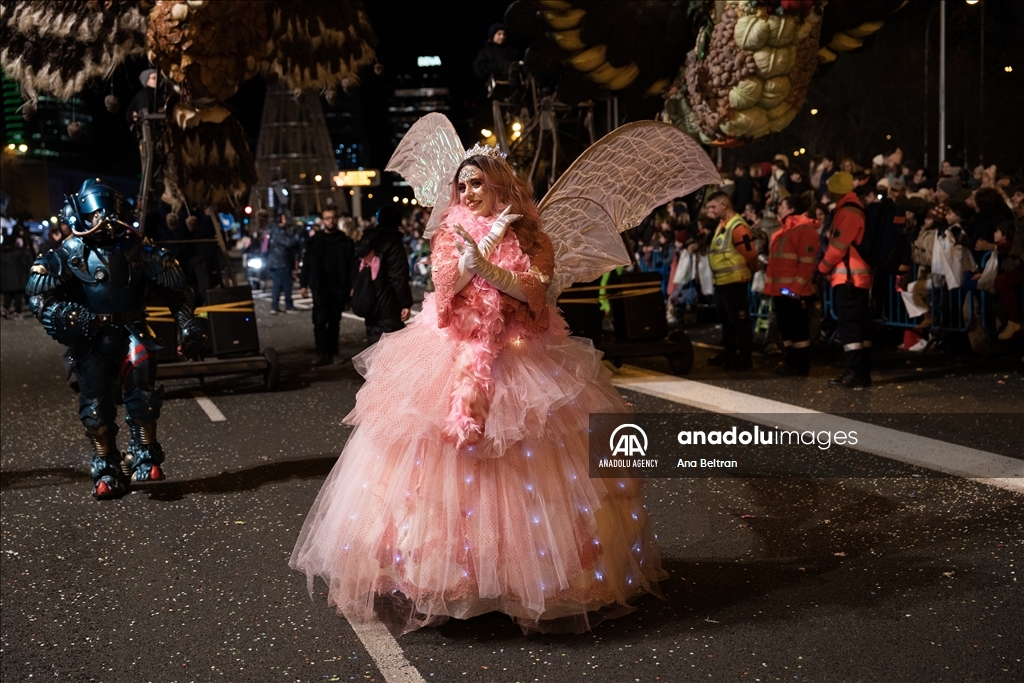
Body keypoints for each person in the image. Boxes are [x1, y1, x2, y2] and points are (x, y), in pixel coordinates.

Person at [290, 144, 665, 635]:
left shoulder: (535, 236)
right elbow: (446, 291)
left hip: (521, 354)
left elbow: (536, 291)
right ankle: (453, 578)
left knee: (532, 461)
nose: (467, 192)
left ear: (500, 185)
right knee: (437, 463)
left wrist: (493, 263)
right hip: (452, 354)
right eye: (461, 185)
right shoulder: (449, 232)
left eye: (476, 183)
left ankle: (528, 578)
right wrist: (480, 249)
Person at [25, 179, 208, 498]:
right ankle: (106, 467)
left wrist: (187, 323)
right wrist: (69, 316)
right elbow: (39, 294)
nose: (105, 221)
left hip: (133, 330)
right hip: (91, 335)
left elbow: (176, 290)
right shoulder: (71, 251)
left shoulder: (138, 248)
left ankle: (146, 457)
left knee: (144, 401)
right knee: (96, 410)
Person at [818, 171, 873, 388]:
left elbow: (837, 248)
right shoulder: (853, 208)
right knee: (859, 328)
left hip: (849, 279)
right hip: (857, 278)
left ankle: (855, 373)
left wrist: (822, 268)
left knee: (850, 327)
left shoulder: (848, 212)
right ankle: (861, 372)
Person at [764, 195, 819, 375]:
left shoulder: (805, 230)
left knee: (798, 330)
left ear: (791, 208)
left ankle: (801, 365)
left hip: (794, 292)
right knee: (786, 329)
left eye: (782, 205)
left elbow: (806, 264)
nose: (779, 209)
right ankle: (791, 361)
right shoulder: (782, 232)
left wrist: (795, 289)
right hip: (780, 291)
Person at [705, 191, 759, 369]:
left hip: (735, 281)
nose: (710, 211)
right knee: (727, 320)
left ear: (724, 205)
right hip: (723, 282)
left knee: (739, 321)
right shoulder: (723, 225)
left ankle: (744, 357)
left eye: (713, 206)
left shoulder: (737, 226)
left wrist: (751, 270)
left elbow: (750, 255)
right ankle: (729, 353)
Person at [300, 207, 355, 366]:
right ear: (323, 220)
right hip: (320, 286)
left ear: (336, 219)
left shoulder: (345, 241)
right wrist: (303, 284)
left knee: (334, 321)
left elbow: (352, 264)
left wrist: (353, 284)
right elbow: (307, 264)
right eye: (327, 218)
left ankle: (333, 352)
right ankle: (321, 352)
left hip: (338, 286)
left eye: (332, 217)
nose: (330, 221)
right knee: (319, 321)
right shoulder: (315, 241)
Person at [352, 204, 413, 345]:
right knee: (392, 347)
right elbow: (398, 277)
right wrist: (405, 303)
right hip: (388, 302)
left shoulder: (367, 241)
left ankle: (375, 367)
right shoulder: (393, 243)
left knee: (374, 343)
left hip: (369, 298)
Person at [266, 213, 301, 314]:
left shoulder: (274, 231)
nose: (286, 220)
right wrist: (297, 236)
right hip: (281, 262)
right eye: (284, 218)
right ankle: (288, 306)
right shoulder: (279, 232)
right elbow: (289, 243)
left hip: (276, 262)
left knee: (277, 285)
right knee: (286, 285)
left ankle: (275, 306)